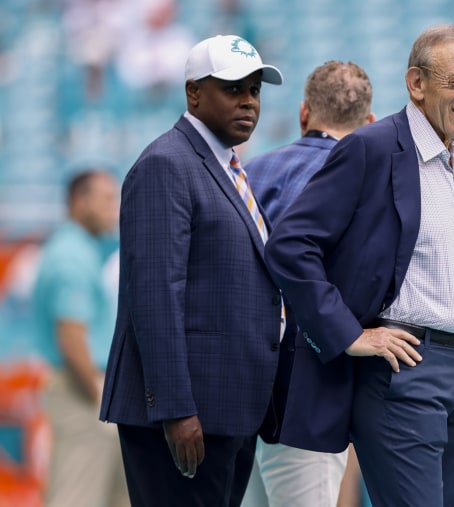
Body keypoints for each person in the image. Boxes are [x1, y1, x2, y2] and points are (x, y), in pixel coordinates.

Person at [265, 24, 454, 507]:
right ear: (416, 83)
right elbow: (291, 244)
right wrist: (349, 333)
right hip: (405, 370)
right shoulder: (371, 147)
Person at [99, 34, 285, 506]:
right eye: (233, 89)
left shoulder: (225, 169)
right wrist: (176, 410)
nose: (248, 101)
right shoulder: (167, 164)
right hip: (187, 417)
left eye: (255, 90)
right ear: (193, 93)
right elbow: (155, 295)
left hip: (228, 410)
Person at [242, 60, 375, 507]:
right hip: (310, 387)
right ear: (370, 124)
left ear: (304, 113)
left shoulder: (249, 174)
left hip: (240, 383)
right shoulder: (368, 186)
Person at [30, 169, 130, 507]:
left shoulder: (82, 249)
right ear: (79, 201)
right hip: (82, 390)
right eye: (104, 200)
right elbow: (72, 341)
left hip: (91, 389)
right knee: (77, 495)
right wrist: (97, 396)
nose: (111, 209)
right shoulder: (70, 256)